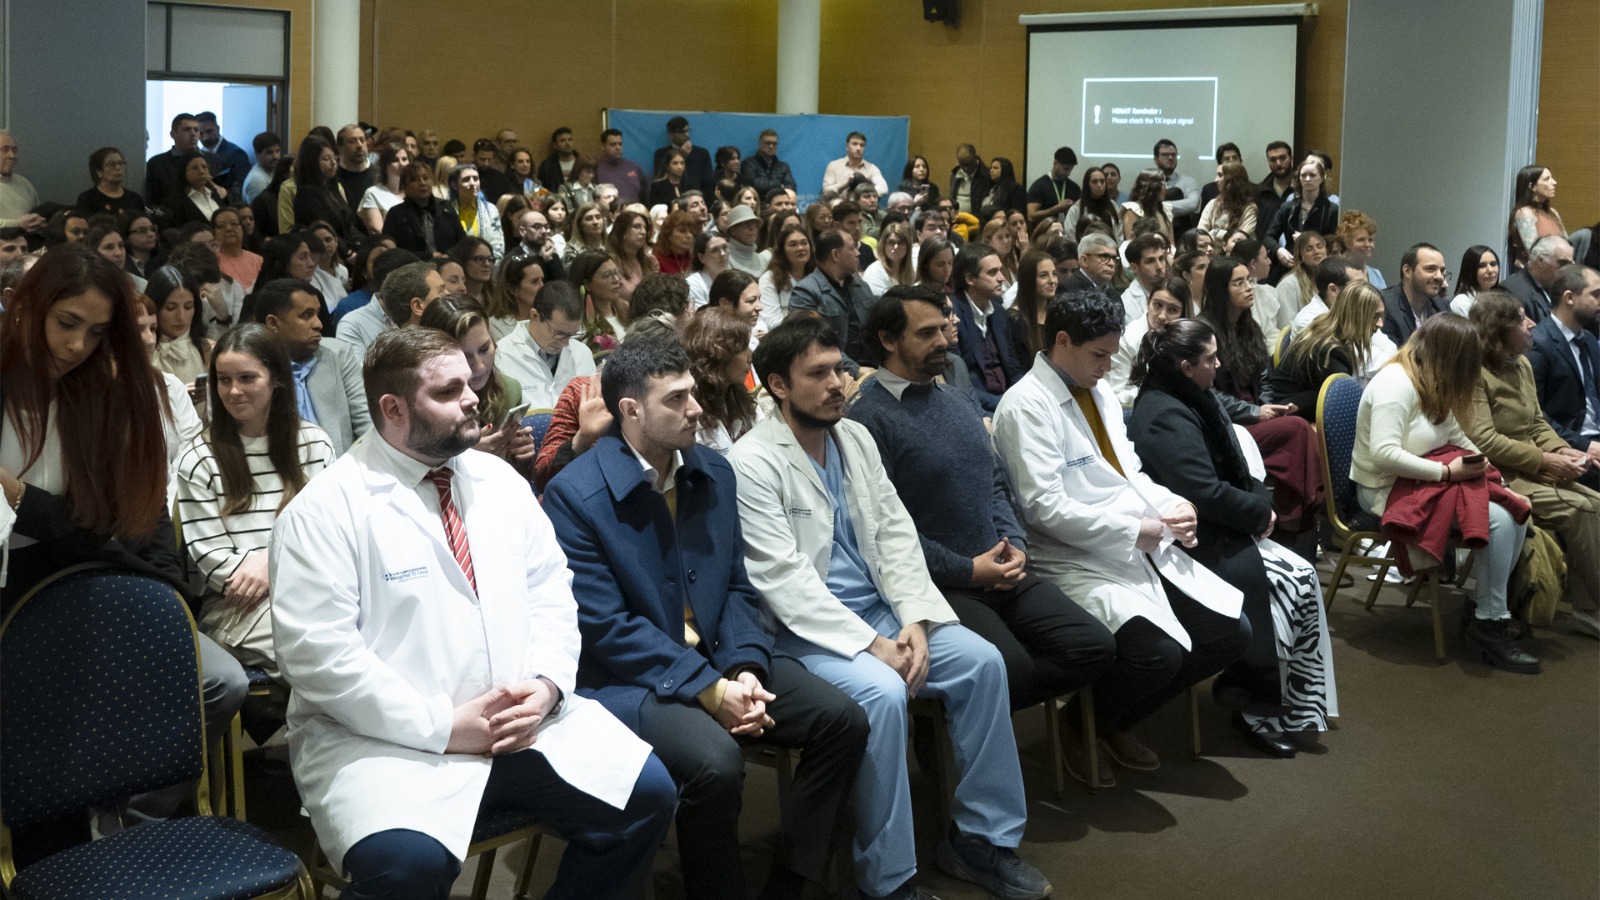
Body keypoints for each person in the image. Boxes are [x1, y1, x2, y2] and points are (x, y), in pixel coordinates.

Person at [269, 326, 673, 899]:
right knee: (407, 867)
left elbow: (552, 590)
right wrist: (442, 726)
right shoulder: (324, 512)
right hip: (385, 745)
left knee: (646, 796)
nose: (473, 398)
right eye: (448, 390)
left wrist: (548, 685)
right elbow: (319, 659)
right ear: (393, 408)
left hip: (521, 724)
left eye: (470, 381)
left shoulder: (497, 481)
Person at [729, 317, 1052, 900]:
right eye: (817, 374)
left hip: (886, 613)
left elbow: (897, 536)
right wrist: (873, 646)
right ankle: (889, 879)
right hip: (808, 634)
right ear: (777, 384)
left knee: (983, 664)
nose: (836, 385)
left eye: (838, 371)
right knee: (880, 694)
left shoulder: (855, 439)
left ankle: (981, 841)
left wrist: (914, 621)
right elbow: (783, 580)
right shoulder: (750, 462)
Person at [537, 332, 864, 900]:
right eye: (676, 400)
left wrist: (744, 669)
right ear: (630, 411)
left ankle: (792, 878)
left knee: (844, 719)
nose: (696, 409)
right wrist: (711, 690)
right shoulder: (575, 494)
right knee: (714, 764)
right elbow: (607, 629)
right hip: (627, 679)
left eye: (693, 393)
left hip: (716, 654)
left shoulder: (712, 468)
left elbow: (736, 586)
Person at [992, 288, 1246, 785]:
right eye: (1100, 354)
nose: (1110, 366)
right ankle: (1078, 724)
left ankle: (1114, 720)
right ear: (1062, 341)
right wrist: (1134, 530)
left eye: (1112, 353)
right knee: (1156, 654)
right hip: (1070, 557)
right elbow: (1043, 508)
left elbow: (1131, 473)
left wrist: (1175, 506)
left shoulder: (1099, 391)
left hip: (1135, 542)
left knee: (1230, 634)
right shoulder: (1025, 406)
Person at [855, 284, 1118, 714]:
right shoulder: (867, 418)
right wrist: (967, 570)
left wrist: (1015, 542)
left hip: (1000, 567)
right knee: (1011, 669)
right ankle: (946, 732)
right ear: (887, 340)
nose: (943, 340)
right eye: (926, 334)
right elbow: (884, 530)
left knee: (1093, 646)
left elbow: (994, 481)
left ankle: (969, 715)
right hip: (939, 585)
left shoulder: (957, 397)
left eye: (943, 328)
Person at [1128, 318, 1337, 756]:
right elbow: (1201, 492)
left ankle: (1295, 706)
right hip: (1190, 539)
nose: (1219, 364)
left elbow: (1226, 474)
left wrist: (1256, 505)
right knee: (1288, 583)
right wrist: (1258, 510)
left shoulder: (1189, 395)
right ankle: (1254, 706)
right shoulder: (1163, 412)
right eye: (1210, 359)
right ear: (1186, 366)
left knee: (1301, 575)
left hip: (1217, 521)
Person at [1351, 315, 1536, 671]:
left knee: (1512, 510)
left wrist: (1494, 478)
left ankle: (1487, 609)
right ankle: (1489, 622)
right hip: (1384, 490)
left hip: (1424, 479)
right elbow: (1383, 454)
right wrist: (1446, 472)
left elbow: (1455, 436)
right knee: (1496, 519)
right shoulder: (1396, 384)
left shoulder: (1430, 378)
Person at [178, 324, 335, 679]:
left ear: (277, 379)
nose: (233, 391)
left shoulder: (313, 444)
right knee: (322, 659)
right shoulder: (199, 457)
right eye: (223, 380)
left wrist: (270, 562)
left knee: (357, 644)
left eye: (247, 378)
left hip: (310, 591)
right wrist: (276, 564)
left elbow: (332, 538)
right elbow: (213, 561)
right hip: (236, 607)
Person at [1465, 290, 1600, 637]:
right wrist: (1544, 460)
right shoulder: (1474, 372)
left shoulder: (1521, 363)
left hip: (1532, 464)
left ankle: (1588, 604)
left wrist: (1564, 451)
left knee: (1597, 503)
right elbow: (1484, 441)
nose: (1531, 325)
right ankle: (1591, 608)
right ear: (1497, 329)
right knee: (1584, 510)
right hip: (1500, 475)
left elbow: (1537, 423)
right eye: (1521, 319)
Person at [418, 295, 537, 473]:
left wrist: (520, 458)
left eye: (484, 349)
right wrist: (462, 458)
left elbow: (509, 482)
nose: (480, 366)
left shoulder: (509, 391)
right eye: (464, 356)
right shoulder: (419, 403)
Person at [253, 278, 371, 455]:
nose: (319, 324)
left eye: (317, 314)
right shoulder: (249, 369)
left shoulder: (338, 354)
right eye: (306, 315)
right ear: (273, 323)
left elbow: (366, 424)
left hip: (338, 470)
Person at [1526, 264, 1600, 483]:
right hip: (1569, 443)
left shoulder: (1587, 339)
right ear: (1569, 298)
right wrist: (1584, 444)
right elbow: (1534, 413)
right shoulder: (1538, 343)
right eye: (1596, 295)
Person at [1267, 281, 1384, 416]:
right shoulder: (1329, 352)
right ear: (1356, 315)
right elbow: (1339, 408)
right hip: (1287, 415)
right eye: (1375, 316)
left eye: (1381, 316)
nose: (1381, 324)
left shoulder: (1325, 329)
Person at [497, 280, 597, 407]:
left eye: (572, 334)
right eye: (559, 333)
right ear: (534, 316)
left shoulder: (582, 353)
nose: (565, 343)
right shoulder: (503, 355)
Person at [789, 229, 875, 376]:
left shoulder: (861, 286)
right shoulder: (805, 292)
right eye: (852, 248)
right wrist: (856, 370)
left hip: (874, 368)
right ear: (835, 255)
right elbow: (812, 343)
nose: (858, 253)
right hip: (833, 374)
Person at [948, 244, 1024, 412]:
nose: (1001, 278)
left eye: (1000, 270)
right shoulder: (952, 316)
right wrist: (1005, 404)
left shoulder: (998, 311)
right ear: (969, 279)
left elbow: (1013, 367)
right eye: (992, 272)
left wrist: (1025, 394)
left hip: (1007, 401)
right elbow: (958, 383)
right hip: (975, 407)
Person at [683, 305, 762, 452]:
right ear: (718, 354)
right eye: (742, 348)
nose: (750, 356)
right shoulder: (690, 412)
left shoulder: (740, 397)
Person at [1107, 275, 1191, 408]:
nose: (1162, 316)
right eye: (1158, 305)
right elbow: (1117, 397)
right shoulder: (1127, 341)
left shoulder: (1187, 338)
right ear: (1148, 302)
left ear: (1183, 313)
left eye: (1172, 310)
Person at [1266, 156, 1340, 266]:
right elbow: (1268, 237)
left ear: (1322, 177)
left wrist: (1307, 239)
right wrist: (1278, 250)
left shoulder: (1331, 209)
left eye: (1312, 175)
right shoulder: (1287, 207)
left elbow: (1335, 242)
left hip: (1319, 266)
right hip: (1291, 264)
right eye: (1303, 175)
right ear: (1299, 178)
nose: (1307, 179)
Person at [147, 264, 213, 386]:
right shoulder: (141, 352)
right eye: (170, 308)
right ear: (154, 307)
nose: (181, 317)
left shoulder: (209, 350)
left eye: (188, 307)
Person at [383, 162, 467, 257]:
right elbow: (391, 252)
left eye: (426, 178)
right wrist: (427, 257)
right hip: (412, 266)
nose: (422, 183)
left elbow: (462, 242)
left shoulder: (446, 207)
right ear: (404, 187)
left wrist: (448, 255)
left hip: (448, 263)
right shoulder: (396, 213)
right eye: (414, 180)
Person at [144, 113, 221, 210]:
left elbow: (226, 195)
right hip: (171, 220)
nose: (193, 134)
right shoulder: (157, 163)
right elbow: (150, 206)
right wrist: (165, 219)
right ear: (173, 134)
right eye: (187, 129)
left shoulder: (214, 160)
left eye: (196, 130)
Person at [1380, 243, 1451, 346]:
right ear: (1407, 271)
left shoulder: (1441, 304)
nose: (1439, 277)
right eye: (1430, 269)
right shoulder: (1385, 306)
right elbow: (1391, 357)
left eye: (1442, 271)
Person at [1502, 234, 1575, 324]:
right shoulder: (1512, 291)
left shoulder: (1557, 288)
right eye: (1563, 263)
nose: (1568, 269)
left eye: (1571, 264)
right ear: (1540, 260)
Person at [1507, 165, 1565, 270]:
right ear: (1532, 186)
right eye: (1547, 179)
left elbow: (1567, 245)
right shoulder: (1525, 213)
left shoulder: (1552, 213)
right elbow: (1535, 252)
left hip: (1556, 272)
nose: (1554, 182)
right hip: (1532, 275)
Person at [760, 224, 813, 333]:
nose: (800, 248)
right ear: (782, 251)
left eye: (804, 243)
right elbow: (772, 322)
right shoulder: (769, 279)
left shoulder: (818, 276)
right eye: (793, 244)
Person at [650, 116, 715, 197]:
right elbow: (661, 177)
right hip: (670, 197)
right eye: (681, 132)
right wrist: (681, 154)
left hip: (698, 197)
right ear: (671, 134)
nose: (686, 135)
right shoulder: (661, 154)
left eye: (687, 131)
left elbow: (709, 181)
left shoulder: (702, 153)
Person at [164, 150, 229, 229]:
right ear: (184, 173)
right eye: (195, 168)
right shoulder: (175, 202)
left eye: (204, 167)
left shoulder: (214, 194)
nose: (201, 171)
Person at [76, 147, 146, 218]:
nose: (118, 168)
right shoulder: (87, 199)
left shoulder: (135, 198)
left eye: (120, 163)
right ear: (99, 171)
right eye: (112, 165)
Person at [1197, 161, 1257, 243]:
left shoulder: (1249, 208)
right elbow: (1200, 235)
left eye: (1220, 175)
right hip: (1211, 253)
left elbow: (1239, 240)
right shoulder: (1212, 204)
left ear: (1232, 180)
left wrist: (1214, 232)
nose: (1216, 180)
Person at [1275, 231, 1328, 322]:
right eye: (1309, 249)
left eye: (1319, 247)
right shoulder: (1288, 285)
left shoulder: (1332, 279)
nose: (1316, 252)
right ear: (1300, 257)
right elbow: (1286, 326)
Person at [195, 111, 251, 197]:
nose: (205, 137)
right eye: (201, 133)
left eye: (209, 131)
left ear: (218, 128)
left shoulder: (236, 154)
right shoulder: (197, 155)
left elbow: (241, 188)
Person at [821, 131, 888, 202]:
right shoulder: (834, 166)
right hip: (839, 208)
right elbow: (826, 192)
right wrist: (845, 184)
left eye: (862, 145)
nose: (858, 148)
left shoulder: (871, 168)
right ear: (847, 147)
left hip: (863, 208)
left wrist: (864, 192)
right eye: (855, 144)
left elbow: (884, 189)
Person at [358, 142, 410, 234]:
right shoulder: (373, 193)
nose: (401, 164)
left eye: (404, 159)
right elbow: (379, 231)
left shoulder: (412, 192)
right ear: (385, 165)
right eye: (395, 160)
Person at [0, 131, 43, 236]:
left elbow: (37, 214)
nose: (12, 155)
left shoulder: (24, 184)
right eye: (5, 150)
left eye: (14, 150)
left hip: (28, 245)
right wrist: (18, 224)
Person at [1063, 166, 1121, 243]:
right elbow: (1070, 236)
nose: (1099, 185)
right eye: (1095, 182)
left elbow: (1119, 234)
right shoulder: (1076, 208)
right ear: (1087, 184)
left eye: (1102, 181)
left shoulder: (1113, 206)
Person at [1025, 147, 1079, 227]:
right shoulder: (1039, 186)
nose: (1068, 173)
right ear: (1055, 163)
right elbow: (1031, 216)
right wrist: (1056, 209)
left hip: (1068, 235)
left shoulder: (1074, 188)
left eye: (1071, 169)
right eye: (1066, 169)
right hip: (1045, 234)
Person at [213, 206, 263, 292]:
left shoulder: (258, 260)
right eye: (221, 226)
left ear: (243, 229)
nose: (229, 229)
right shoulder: (212, 263)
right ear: (213, 233)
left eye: (234, 224)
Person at [595, 128, 647, 206]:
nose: (618, 147)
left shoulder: (634, 168)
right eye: (613, 144)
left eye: (620, 144)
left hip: (634, 213)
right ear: (603, 146)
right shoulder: (596, 169)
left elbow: (644, 195)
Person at [740, 129, 797, 200]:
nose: (771, 146)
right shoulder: (748, 163)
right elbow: (752, 184)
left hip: (779, 205)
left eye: (774, 143)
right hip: (758, 205)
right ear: (760, 143)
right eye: (768, 143)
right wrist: (779, 185)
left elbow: (792, 187)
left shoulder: (783, 166)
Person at [1151, 139, 1200, 220]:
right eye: (1165, 155)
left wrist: (1159, 207)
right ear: (1156, 159)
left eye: (1173, 155)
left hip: (1180, 230)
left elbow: (1193, 204)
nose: (1170, 158)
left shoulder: (1187, 181)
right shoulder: (1147, 182)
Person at [1336, 210, 1385, 289]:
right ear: (1347, 242)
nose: (1367, 245)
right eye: (1361, 240)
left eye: (1370, 240)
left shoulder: (1376, 275)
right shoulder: (1337, 274)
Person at [1450, 245, 1503, 318]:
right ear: (1470, 270)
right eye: (1482, 266)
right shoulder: (1461, 303)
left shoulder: (1500, 299)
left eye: (1493, 264)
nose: (1490, 270)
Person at [863, 221, 914, 297]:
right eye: (891, 242)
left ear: (908, 247)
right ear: (883, 245)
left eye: (901, 243)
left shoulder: (910, 271)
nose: (896, 247)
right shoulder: (874, 272)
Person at [1119, 172, 1171, 244]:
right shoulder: (1134, 210)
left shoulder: (1165, 210)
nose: (1167, 188)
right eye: (1163, 184)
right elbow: (1130, 244)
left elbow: (1171, 243)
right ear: (1151, 187)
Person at [686, 231, 730, 311]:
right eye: (715, 250)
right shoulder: (693, 285)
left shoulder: (733, 279)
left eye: (725, 247)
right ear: (701, 257)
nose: (723, 253)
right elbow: (704, 319)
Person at [241, 132, 282, 204]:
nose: (276, 157)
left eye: (277, 151)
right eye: (269, 153)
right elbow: (262, 211)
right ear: (257, 154)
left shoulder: (274, 171)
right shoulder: (257, 180)